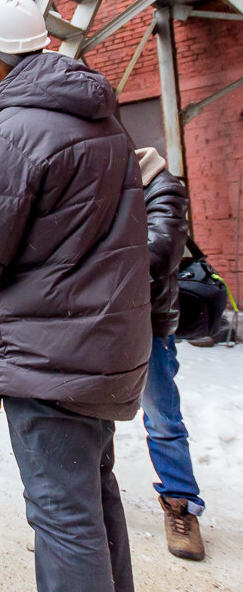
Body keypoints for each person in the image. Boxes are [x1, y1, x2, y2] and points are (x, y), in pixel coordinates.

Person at [0, 0, 151, 592]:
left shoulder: (3, 134)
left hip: (49, 354)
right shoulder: (101, 118)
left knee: (62, 519)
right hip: (104, 348)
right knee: (94, 505)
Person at [135, 146, 205, 561]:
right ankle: (85, 505)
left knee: (162, 417)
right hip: (101, 322)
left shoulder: (163, 188)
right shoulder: (104, 186)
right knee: (89, 413)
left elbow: (158, 253)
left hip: (149, 324)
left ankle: (180, 505)